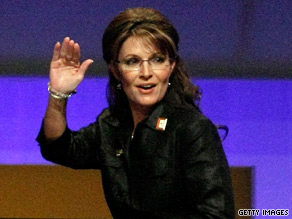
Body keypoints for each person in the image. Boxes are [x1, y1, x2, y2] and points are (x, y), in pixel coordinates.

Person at [37, 7, 235, 219]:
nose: (147, 73)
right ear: (115, 69)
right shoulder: (111, 125)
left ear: (171, 65)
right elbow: (59, 148)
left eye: (158, 60)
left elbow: (217, 215)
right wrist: (59, 94)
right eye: (133, 61)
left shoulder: (191, 129)